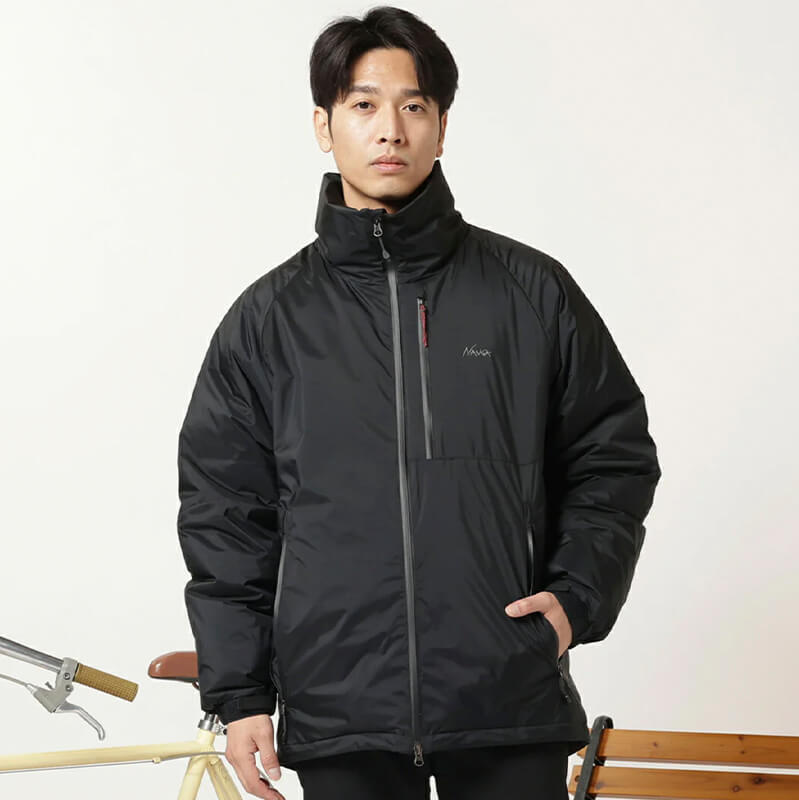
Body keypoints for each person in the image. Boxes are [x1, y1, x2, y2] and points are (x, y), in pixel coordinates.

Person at [176, 7, 661, 799]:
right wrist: (240, 694)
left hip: (506, 700)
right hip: (340, 710)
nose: (390, 130)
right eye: (364, 105)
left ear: (441, 126)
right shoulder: (269, 320)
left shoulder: (530, 292)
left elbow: (613, 457)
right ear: (324, 126)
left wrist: (575, 601)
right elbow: (225, 514)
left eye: (414, 106)